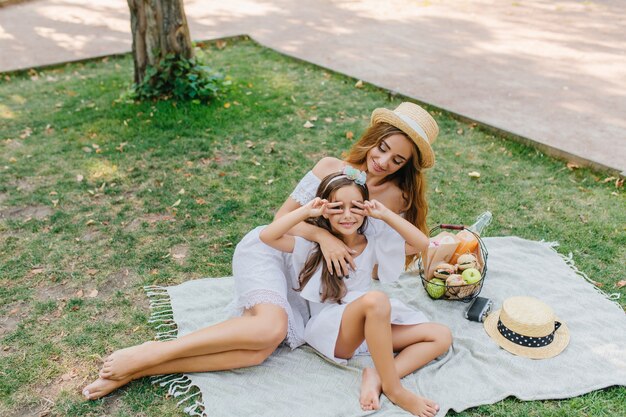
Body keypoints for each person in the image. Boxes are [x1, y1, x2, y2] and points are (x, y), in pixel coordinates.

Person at [82, 102, 441, 400]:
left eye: (397, 160)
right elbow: (280, 221)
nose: (384, 162)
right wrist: (325, 238)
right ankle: (154, 351)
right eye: (383, 149)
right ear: (374, 139)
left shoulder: (396, 197)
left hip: (320, 283)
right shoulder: (331, 168)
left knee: (259, 351)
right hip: (279, 249)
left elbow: (408, 247)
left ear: (406, 166)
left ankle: (146, 367)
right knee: (270, 329)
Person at [259, 170, 451, 417]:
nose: (348, 215)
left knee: (441, 335)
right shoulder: (313, 245)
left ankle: (378, 376)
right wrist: (307, 211)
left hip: (372, 325)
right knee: (376, 299)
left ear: (366, 208)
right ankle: (395, 390)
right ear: (324, 208)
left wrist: (385, 214)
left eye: (356, 207)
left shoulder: (371, 242)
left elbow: (422, 243)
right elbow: (267, 235)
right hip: (334, 333)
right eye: (338, 207)